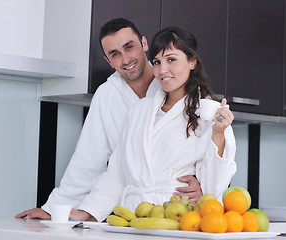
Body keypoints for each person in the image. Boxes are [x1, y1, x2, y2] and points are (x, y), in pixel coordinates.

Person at [15, 18, 202, 220]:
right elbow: (88, 160)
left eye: (129, 47)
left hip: (180, 207)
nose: (125, 59)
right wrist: (55, 208)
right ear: (108, 61)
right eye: (115, 54)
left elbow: (208, 152)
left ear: (144, 44)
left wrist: (203, 184)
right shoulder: (107, 96)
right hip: (131, 211)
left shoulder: (177, 85)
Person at [70, 26, 237, 222]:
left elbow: (216, 185)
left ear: (192, 61)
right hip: (134, 217)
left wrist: (218, 133)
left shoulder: (209, 113)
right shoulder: (141, 110)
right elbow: (118, 172)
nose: (162, 70)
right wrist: (89, 211)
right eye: (157, 62)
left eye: (171, 60)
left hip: (178, 219)